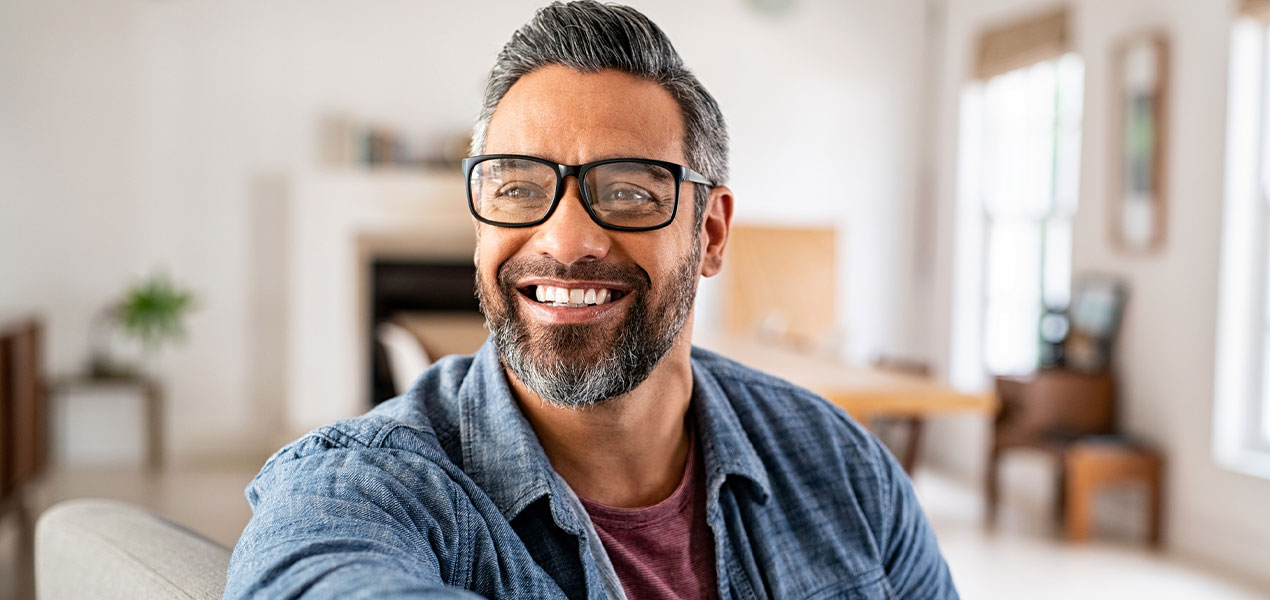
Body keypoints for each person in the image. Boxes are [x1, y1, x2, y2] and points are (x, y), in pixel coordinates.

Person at [225, 2, 958, 598]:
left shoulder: (843, 467)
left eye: (631, 190)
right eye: (517, 188)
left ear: (709, 232)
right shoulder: (365, 487)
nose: (567, 239)